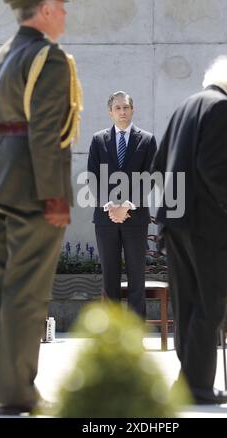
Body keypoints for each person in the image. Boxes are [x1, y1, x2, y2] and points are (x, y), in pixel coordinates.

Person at [0, 0, 82, 415]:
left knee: (4, 289)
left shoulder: (2, 56)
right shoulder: (49, 58)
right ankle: (19, 395)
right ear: (44, 10)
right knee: (27, 293)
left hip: (1, 183)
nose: (64, 15)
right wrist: (56, 196)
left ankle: (4, 391)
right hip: (33, 189)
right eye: (61, 7)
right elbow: (45, 132)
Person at [152, 56, 227, 405]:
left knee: (188, 305)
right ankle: (197, 386)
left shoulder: (186, 106)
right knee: (210, 304)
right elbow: (211, 167)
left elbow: (159, 165)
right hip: (208, 228)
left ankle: (188, 384)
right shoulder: (220, 108)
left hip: (177, 222)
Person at [87, 91, 157, 317]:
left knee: (137, 277)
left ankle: (135, 335)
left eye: (126, 107)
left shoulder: (146, 140)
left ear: (132, 109)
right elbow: (92, 177)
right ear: (110, 113)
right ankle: (113, 337)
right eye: (117, 108)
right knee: (110, 278)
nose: (122, 112)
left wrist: (127, 205)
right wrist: (110, 206)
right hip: (105, 219)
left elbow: (151, 176)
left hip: (135, 218)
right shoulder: (98, 140)